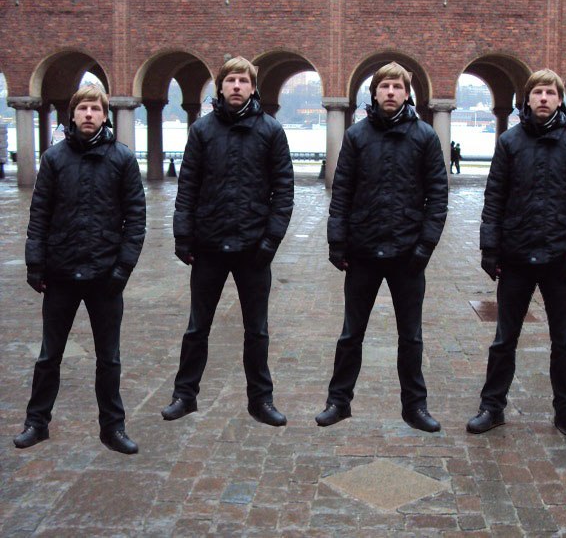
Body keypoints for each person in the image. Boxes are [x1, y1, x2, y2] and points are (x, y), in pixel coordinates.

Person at [466, 69, 566, 438]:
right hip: (516, 255)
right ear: (527, 99)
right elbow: (495, 197)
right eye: (538, 92)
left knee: (564, 341)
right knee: (504, 339)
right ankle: (492, 406)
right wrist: (489, 247)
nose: (543, 98)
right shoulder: (510, 142)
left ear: (560, 99)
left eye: (550, 93)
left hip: (561, 259)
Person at [315, 62, 448, 432]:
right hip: (363, 250)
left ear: (407, 93)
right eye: (385, 86)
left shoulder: (424, 136)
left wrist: (425, 245)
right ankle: (338, 401)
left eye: (397, 86)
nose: (391, 92)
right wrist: (336, 241)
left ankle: (415, 407)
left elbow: (438, 195)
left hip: (408, 253)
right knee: (351, 333)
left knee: (411, 337)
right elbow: (342, 190)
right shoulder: (357, 136)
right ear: (374, 93)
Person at [161, 57, 294, 427]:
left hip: (253, 247)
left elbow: (284, 190)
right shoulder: (202, 131)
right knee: (197, 327)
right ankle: (184, 395)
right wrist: (182, 234)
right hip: (209, 244)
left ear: (253, 88)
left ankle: (261, 400)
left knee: (257, 330)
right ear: (220, 87)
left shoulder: (271, 131)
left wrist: (271, 239)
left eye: (243, 81)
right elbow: (188, 185)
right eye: (231, 80)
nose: (237, 86)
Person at [15, 85, 146, 454]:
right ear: (72, 115)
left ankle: (113, 428)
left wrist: (123, 267)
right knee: (49, 355)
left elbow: (136, 218)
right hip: (61, 272)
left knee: (109, 358)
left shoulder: (122, 159)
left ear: (105, 115)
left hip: (105, 275)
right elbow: (39, 213)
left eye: (96, 109)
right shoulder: (54, 159)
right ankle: (36, 422)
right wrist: (34, 262)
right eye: (83, 108)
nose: (89, 114)